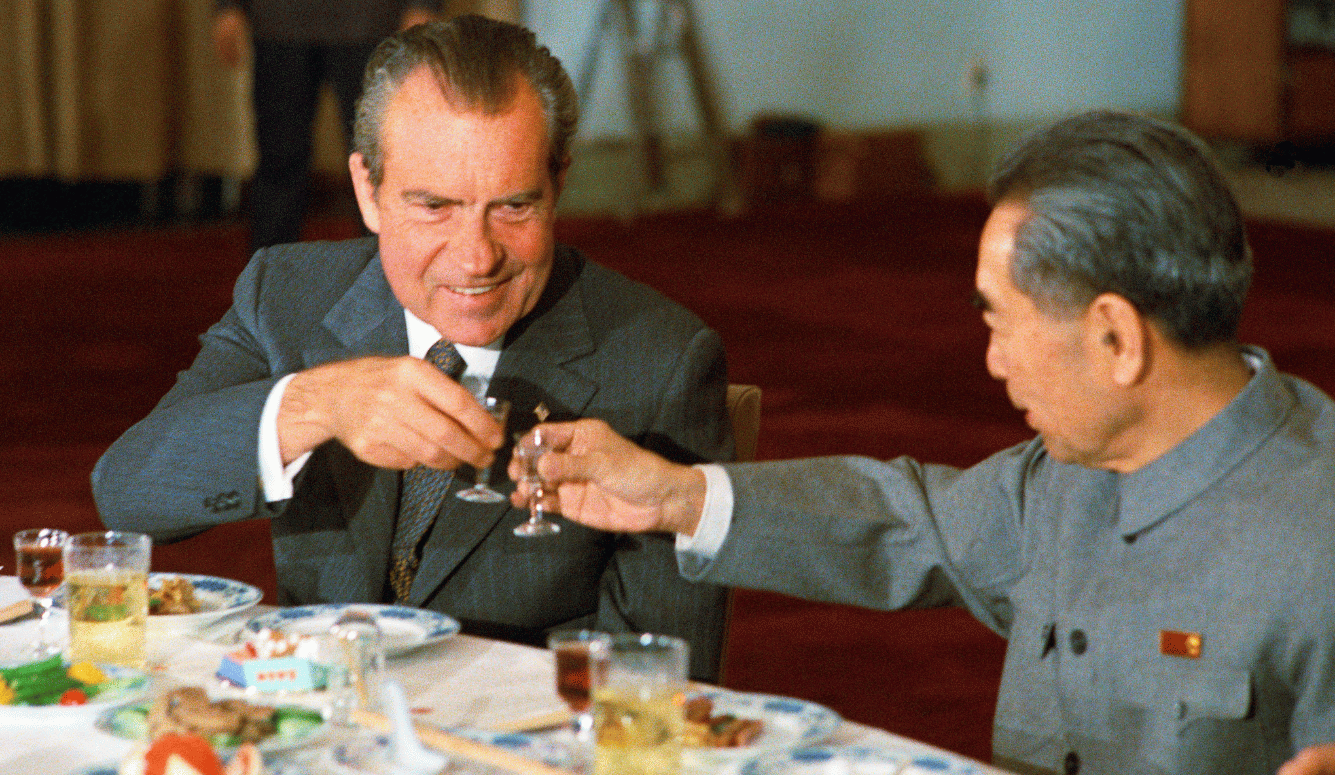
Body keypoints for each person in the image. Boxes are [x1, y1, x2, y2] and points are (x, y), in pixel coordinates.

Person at [510, 111, 1335, 773]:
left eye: (1000, 322)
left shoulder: (1315, 533)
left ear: (1115, 337)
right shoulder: (1070, 475)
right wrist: (678, 495)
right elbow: (910, 520)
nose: (990, 361)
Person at [94, 15, 732, 681]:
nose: (476, 255)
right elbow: (130, 493)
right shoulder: (287, 294)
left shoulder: (661, 360)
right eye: (435, 207)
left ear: (558, 185)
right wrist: (313, 405)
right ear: (368, 192)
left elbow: (659, 686)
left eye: (514, 207)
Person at [212, 0, 442, 253]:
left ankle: (388, 279)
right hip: (279, 22)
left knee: (379, 164)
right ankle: (269, 282)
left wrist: (424, 4)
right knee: (278, 162)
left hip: (371, 21)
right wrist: (228, 6)